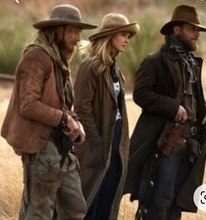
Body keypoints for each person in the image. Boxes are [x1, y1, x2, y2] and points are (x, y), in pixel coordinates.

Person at [1, 4, 97, 220]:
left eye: (79, 32)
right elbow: (29, 104)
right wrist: (64, 119)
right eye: (73, 31)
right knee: (39, 213)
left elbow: (55, 103)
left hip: (61, 149)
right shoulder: (37, 57)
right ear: (57, 31)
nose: (77, 38)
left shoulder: (57, 61)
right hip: (42, 148)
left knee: (75, 210)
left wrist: (73, 121)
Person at [124, 5, 206, 220]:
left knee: (176, 202)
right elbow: (141, 94)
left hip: (190, 143)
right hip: (166, 143)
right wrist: (173, 108)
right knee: (159, 201)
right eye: (192, 29)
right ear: (177, 30)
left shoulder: (191, 63)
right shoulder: (156, 61)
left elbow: (197, 100)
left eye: (197, 30)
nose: (197, 35)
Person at [73, 13, 140, 220]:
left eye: (129, 35)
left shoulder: (114, 68)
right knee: (89, 199)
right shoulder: (90, 67)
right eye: (123, 34)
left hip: (115, 141)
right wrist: (95, 145)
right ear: (110, 36)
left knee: (108, 198)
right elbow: (82, 110)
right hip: (97, 142)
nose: (127, 39)